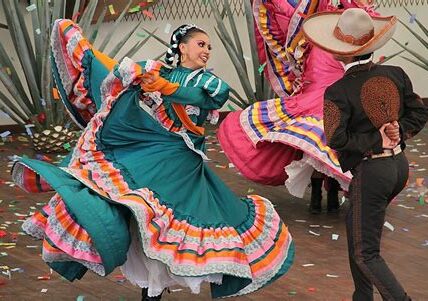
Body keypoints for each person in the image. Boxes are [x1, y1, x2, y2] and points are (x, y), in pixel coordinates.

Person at [12, 20, 295, 300]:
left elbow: (205, 98)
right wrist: (96, 57)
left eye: (209, 46)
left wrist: (162, 86)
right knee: (139, 213)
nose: (207, 50)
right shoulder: (157, 72)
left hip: (182, 163)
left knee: (165, 224)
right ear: (182, 47)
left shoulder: (208, 82)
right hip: (155, 152)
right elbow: (116, 76)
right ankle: (147, 287)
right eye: (200, 44)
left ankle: (153, 291)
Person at [303, 8, 428, 300]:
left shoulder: (337, 90)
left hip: (373, 172)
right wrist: (397, 132)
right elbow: (419, 112)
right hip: (398, 167)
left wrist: (377, 139)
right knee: (355, 231)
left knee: (365, 253)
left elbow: (337, 139)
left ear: (340, 53)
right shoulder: (396, 73)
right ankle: (362, 297)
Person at [217, 0, 377, 199]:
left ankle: (322, 192)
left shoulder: (328, 24)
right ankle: (328, 192)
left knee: (318, 136)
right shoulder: (330, 25)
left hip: (326, 65)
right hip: (325, 67)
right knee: (324, 135)